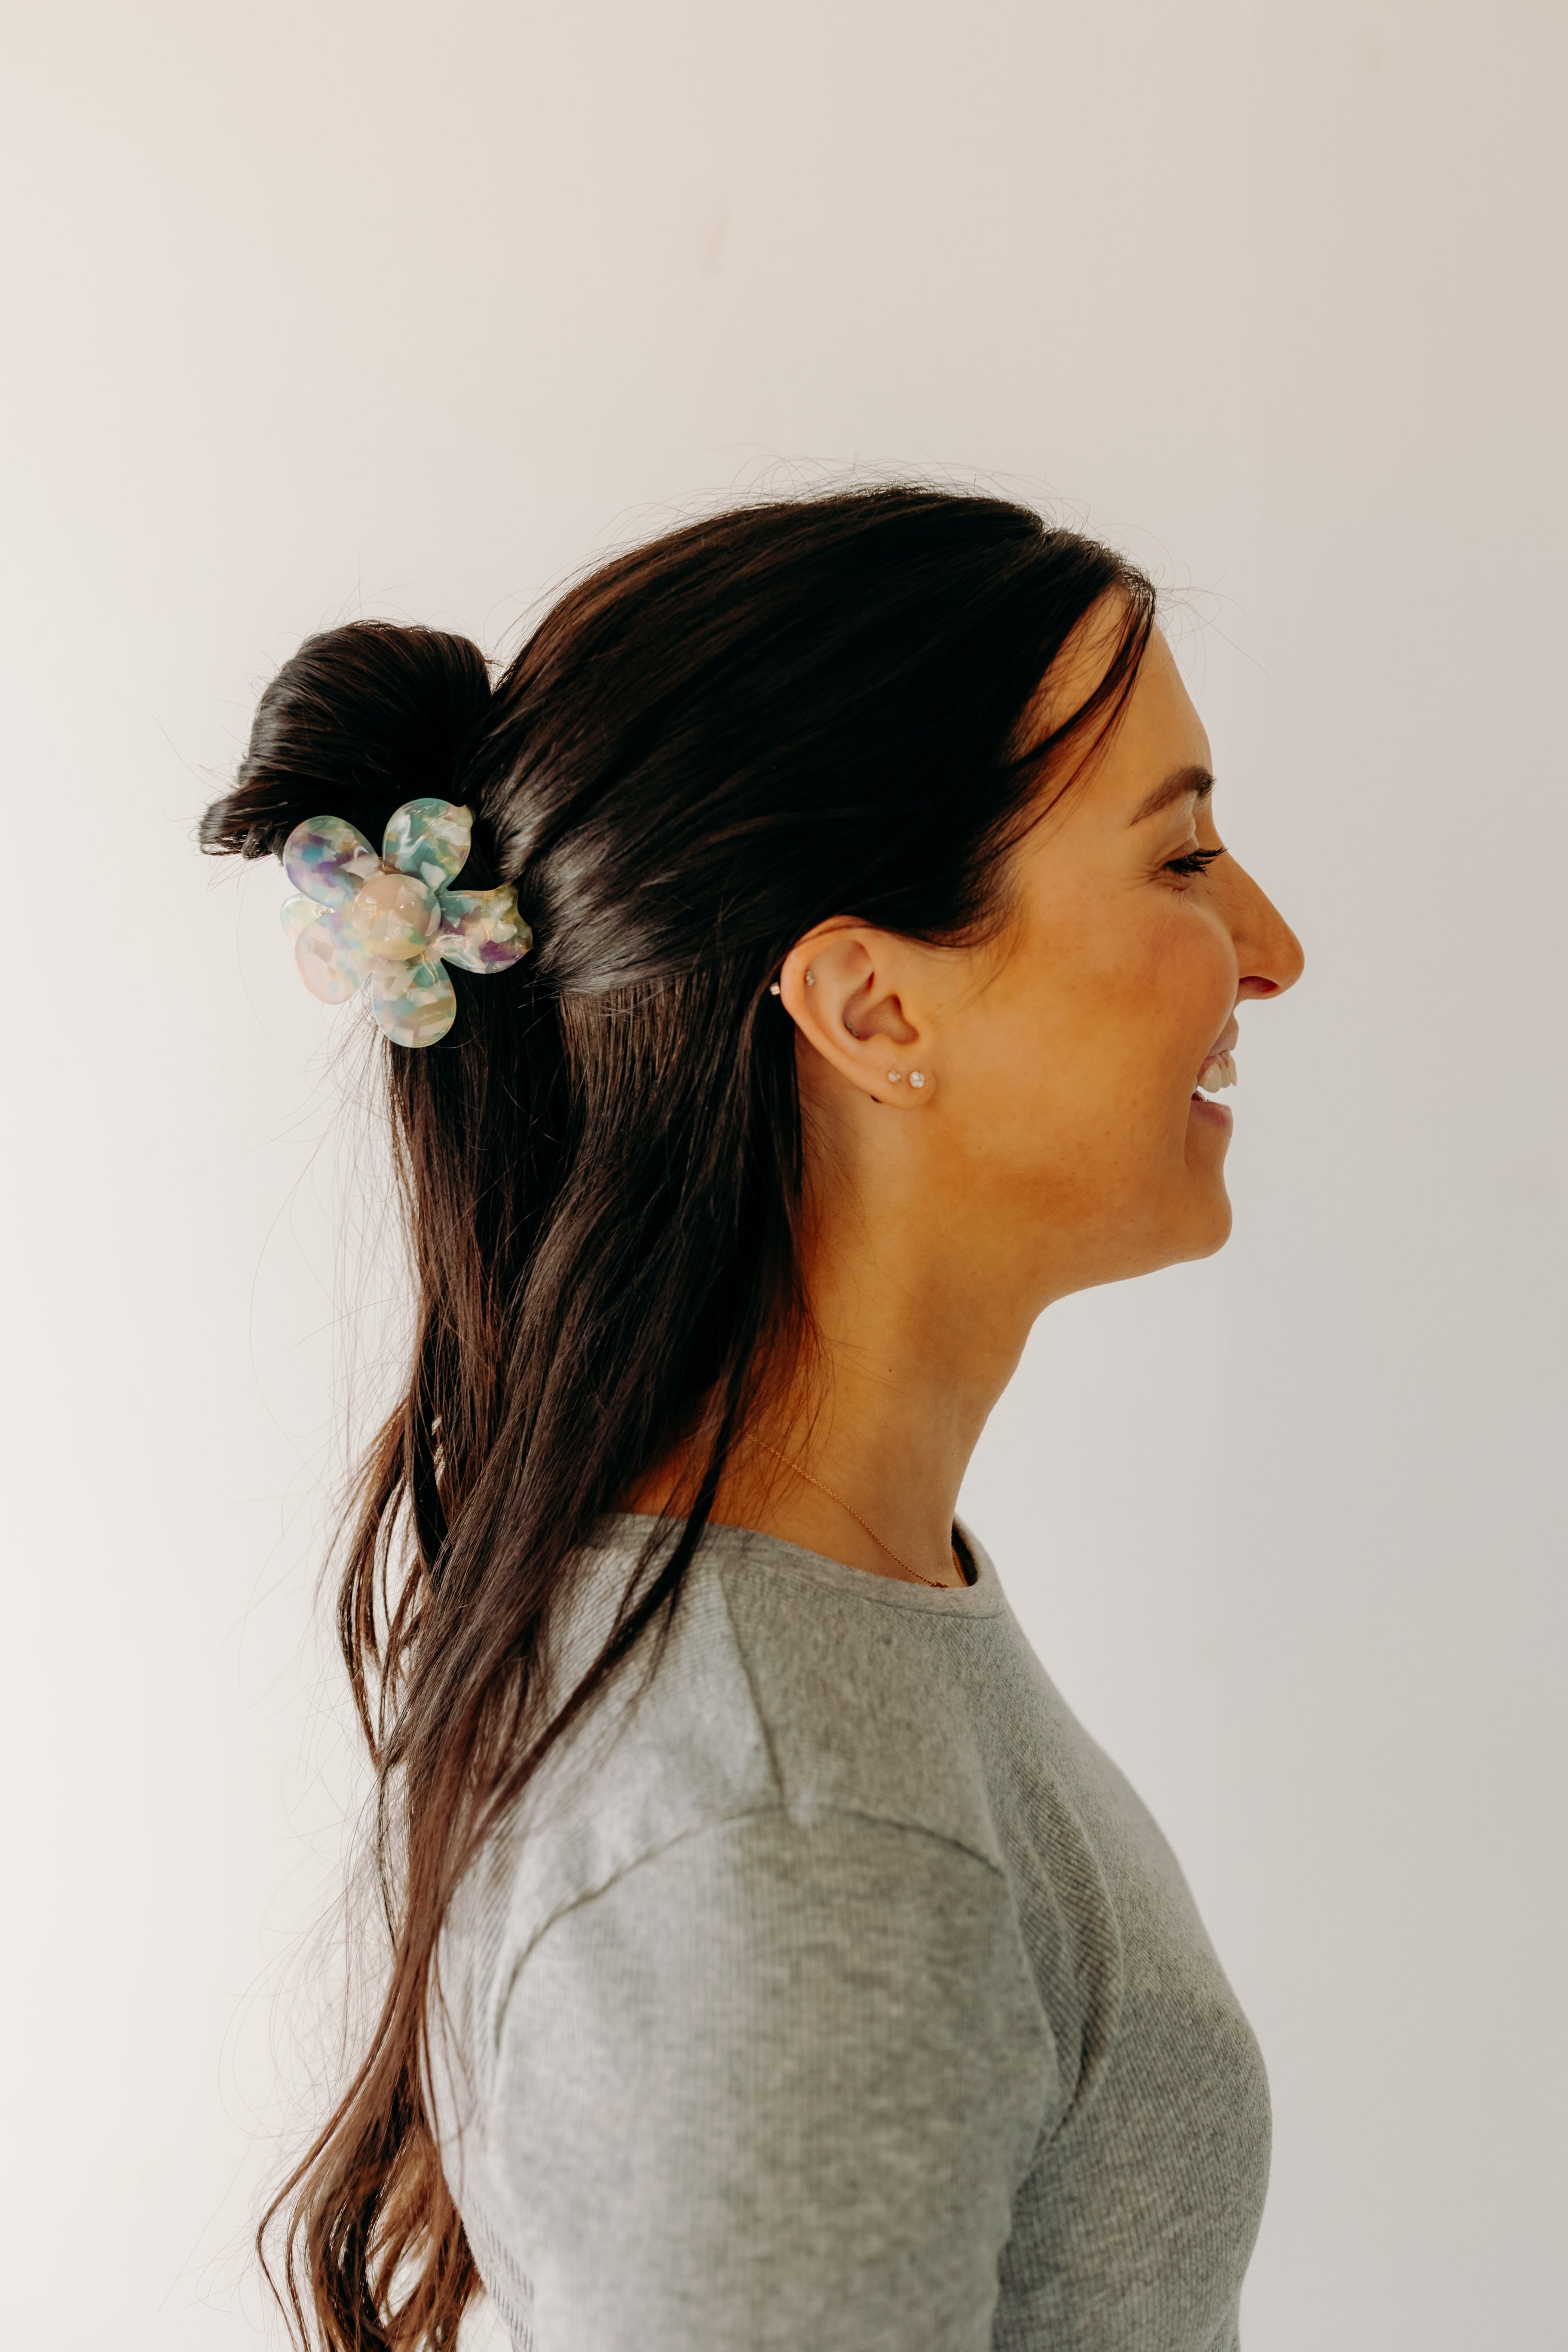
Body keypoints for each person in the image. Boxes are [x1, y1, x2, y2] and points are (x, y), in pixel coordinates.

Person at [201, 485, 1304, 2352]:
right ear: (873, 1007)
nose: (1268, 949)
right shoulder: (793, 1834)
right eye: (1182, 860)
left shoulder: (839, 1656)